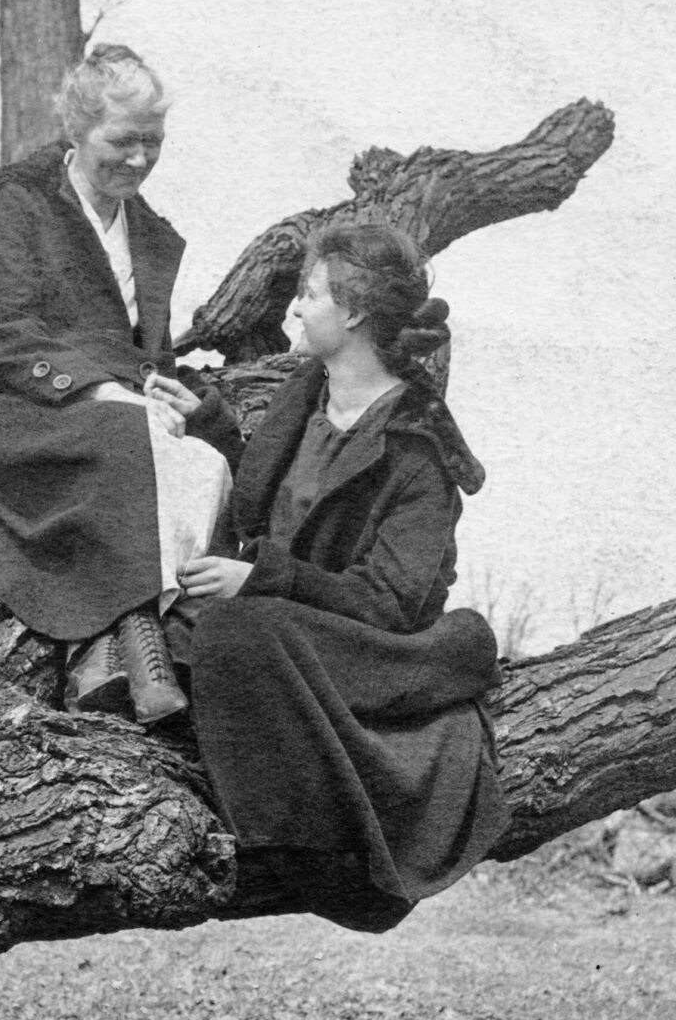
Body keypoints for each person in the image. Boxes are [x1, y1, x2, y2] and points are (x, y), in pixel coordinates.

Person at [150, 222, 510, 931]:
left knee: (230, 632)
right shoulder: (306, 396)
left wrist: (257, 581)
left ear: (352, 314)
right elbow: (282, 498)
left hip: (368, 647)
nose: (293, 310)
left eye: (309, 295)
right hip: (285, 624)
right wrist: (214, 427)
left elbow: (388, 605)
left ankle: (311, 852)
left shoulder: (416, 449)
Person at [0, 44, 242, 724]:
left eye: (152, 142)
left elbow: (145, 355)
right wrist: (102, 390)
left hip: (110, 406)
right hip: (12, 404)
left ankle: (129, 650)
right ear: (77, 129)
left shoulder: (150, 235)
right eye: (123, 140)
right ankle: (130, 638)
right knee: (131, 432)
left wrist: (171, 391)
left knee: (208, 461)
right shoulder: (15, 203)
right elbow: (2, 336)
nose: (138, 159)